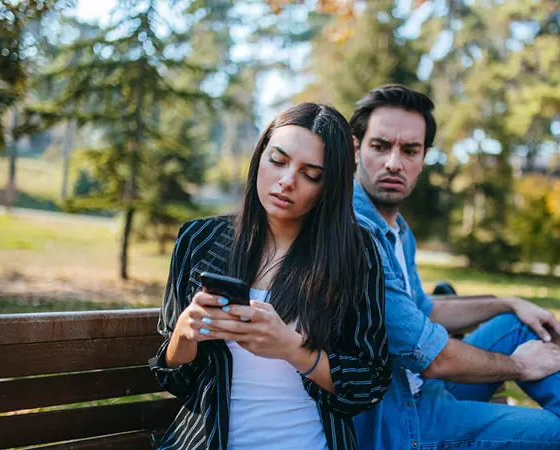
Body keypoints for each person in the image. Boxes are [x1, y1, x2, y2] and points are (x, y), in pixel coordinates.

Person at [350, 84, 560, 450]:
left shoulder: (398, 231)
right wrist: (518, 366)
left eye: (410, 150)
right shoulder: (354, 233)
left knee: (517, 324)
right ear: (356, 149)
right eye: (380, 146)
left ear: (424, 157)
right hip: (400, 421)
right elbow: (430, 356)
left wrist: (509, 302)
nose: (393, 162)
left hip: (424, 389)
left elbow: (426, 308)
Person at [149, 103, 391, 450]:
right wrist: (185, 334)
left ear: (330, 186)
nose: (286, 181)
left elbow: (369, 382)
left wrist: (293, 349)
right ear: (260, 156)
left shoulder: (354, 253)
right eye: (278, 160)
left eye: (311, 175)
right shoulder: (199, 241)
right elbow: (175, 379)